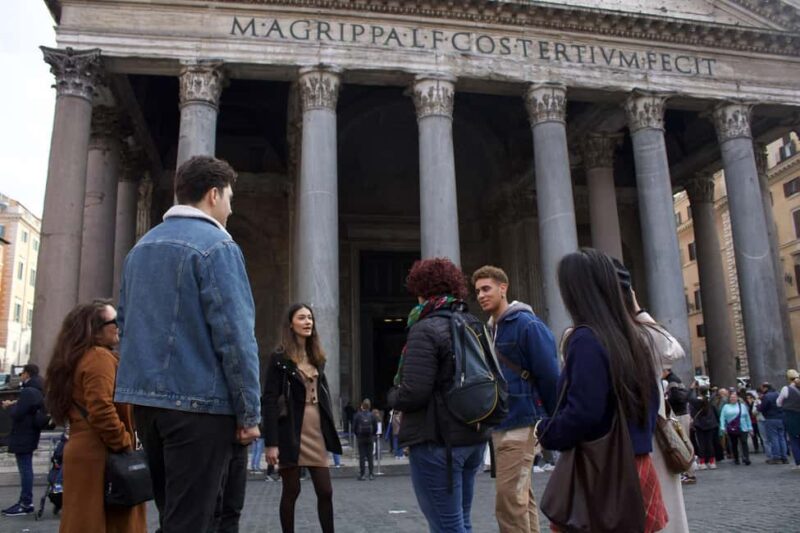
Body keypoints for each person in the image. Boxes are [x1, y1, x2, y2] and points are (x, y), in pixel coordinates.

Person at [115, 156, 261, 532]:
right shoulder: (217, 246)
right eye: (229, 198)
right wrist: (249, 414)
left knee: (174, 516)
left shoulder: (140, 249)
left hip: (149, 408)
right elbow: (235, 338)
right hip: (201, 407)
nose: (231, 207)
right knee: (193, 522)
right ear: (213, 194)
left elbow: (126, 329)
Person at [540, 249, 667, 533]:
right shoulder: (633, 336)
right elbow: (651, 401)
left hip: (604, 472)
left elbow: (584, 412)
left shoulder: (586, 339)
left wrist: (547, 431)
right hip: (638, 464)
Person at [388, 258, 490, 533]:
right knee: (460, 522)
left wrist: (392, 396)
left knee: (448, 527)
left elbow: (414, 392)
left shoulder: (425, 328)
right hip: (472, 438)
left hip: (437, 441)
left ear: (421, 291)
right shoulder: (473, 323)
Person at [44, 301, 146, 532]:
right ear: (94, 328)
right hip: (101, 453)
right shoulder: (99, 357)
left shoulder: (75, 358)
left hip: (84, 450)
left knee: (83, 520)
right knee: (109, 522)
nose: (118, 326)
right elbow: (101, 408)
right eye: (113, 321)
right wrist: (124, 442)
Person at [472, 265, 559, 533]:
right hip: (504, 422)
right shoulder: (492, 329)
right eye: (477, 291)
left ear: (503, 288)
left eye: (486, 289)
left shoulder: (526, 324)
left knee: (508, 503)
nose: (481, 295)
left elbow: (550, 375)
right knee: (521, 497)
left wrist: (553, 421)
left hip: (522, 422)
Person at [614, 258, 689, 532]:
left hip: (652, 435)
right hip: (633, 437)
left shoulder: (641, 333)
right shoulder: (628, 333)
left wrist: (636, 309)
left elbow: (672, 351)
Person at [263, 304, 342, 533]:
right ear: (291, 324)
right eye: (301, 318)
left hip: (315, 426)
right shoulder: (279, 358)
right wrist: (271, 443)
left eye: (310, 317)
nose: (308, 322)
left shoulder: (317, 356)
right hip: (290, 428)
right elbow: (269, 400)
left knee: (326, 491)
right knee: (291, 490)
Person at [1, 364, 45, 516]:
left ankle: (26, 502)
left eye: (22, 374)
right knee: (26, 467)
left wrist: (9, 407)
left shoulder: (28, 391)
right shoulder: (39, 388)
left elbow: (19, 414)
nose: (21, 376)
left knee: (25, 469)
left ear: (27, 374)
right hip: (31, 433)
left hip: (23, 435)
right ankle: (26, 501)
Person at [690, 386, 719, 470]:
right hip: (710, 424)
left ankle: (702, 462)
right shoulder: (710, 400)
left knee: (701, 444)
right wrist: (714, 390)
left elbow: (689, 398)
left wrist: (692, 388)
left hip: (699, 425)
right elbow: (715, 410)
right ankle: (712, 462)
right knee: (710, 443)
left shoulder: (696, 401)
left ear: (699, 392)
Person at [719, 391, 752, 465]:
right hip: (732, 428)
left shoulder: (742, 406)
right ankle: (736, 458)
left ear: (737, 398)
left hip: (743, 427)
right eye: (731, 397)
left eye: (734, 397)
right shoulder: (726, 407)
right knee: (734, 444)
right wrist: (722, 427)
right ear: (729, 399)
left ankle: (746, 458)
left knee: (744, 442)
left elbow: (747, 417)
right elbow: (722, 417)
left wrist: (750, 427)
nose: (733, 399)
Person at [758, 383, 788, 464]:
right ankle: (784, 457)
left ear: (765, 388)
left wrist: (758, 406)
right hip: (781, 418)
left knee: (774, 438)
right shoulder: (778, 394)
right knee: (782, 438)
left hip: (771, 418)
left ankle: (776, 457)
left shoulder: (767, 396)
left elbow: (762, 408)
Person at [776, 369, 800, 470]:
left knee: (794, 440)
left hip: (791, 416)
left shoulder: (786, 389)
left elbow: (778, 403)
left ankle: (799, 463)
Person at [353, 399, 378, 480]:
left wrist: (358, 435)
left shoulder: (357, 415)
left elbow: (354, 428)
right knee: (370, 456)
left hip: (361, 438)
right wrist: (372, 435)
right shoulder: (372, 415)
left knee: (362, 457)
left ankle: (362, 474)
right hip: (370, 438)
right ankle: (371, 474)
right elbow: (376, 428)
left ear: (362, 406)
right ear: (369, 406)